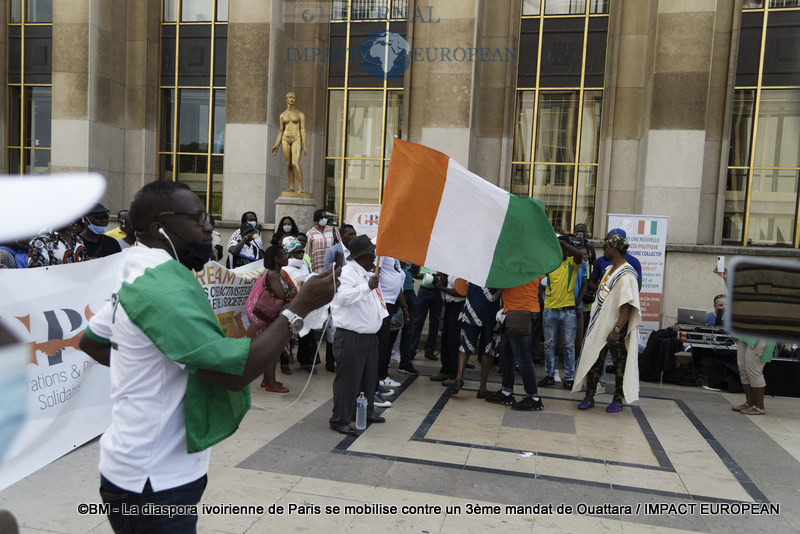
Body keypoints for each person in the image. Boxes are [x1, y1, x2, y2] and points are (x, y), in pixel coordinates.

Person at [77, 181, 337, 532]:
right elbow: (235, 372)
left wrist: (151, 363)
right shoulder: (161, 288)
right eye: (198, 218)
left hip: (144, 470)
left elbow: (93, 341)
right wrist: (299, 308)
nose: (209, 226)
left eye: (209, 217)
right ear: (159, 227)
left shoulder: (140, 270)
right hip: (154, 480)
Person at [573, 233, 642, 413]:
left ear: (614, 249)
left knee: (620, 365)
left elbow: (627, 305)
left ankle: (618, 400)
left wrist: (616, 330)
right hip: (601, 325)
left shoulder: (627, 275)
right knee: (594, 360)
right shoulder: (610, 269)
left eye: (606, 247)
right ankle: (589, 396)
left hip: (616, 328)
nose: (603, 250)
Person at [329, 235, 388, 436]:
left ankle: (363, 412)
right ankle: (340, 419)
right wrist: (367, 287)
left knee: (368, 379)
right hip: (351, 336)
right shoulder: (347, 273)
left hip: (369, 337)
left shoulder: (366, 273)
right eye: (372, 255)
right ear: (362, 257)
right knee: (348, 381)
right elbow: (343, 297)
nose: (374, 259)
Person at [712, 268, 773, 415]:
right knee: (743, 369)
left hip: (761, 336)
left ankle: (759, 406)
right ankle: (749, 402)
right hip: (745, 335)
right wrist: (726, 277)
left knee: (754, 370)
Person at [485, 277, 545, 411]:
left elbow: (500, 282)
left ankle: (534, 398)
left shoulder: (517, 266)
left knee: (522, 357)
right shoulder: (529, 265)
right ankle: (506, 392)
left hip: (521, 312)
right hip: (514, 311)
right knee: (507, 354)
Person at [539, 235, 583, 390]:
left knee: (569, 346)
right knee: (549, 345)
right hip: (550, 310)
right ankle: (549, 375)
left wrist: (563, 243)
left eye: (563, 247)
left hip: (568, 312)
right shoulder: (550, 264)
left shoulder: (572, 263)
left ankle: (569, 378)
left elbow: (579, 255)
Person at [250, 245, 296, 393]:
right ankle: (270, 383)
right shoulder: (272, 274)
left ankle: (268, 379)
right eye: (283, 255)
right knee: (272, 350)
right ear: (276, 258)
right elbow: (282, 295)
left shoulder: (279, 273)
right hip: (272, 319)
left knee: (273, 350)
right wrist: (292, 292)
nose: (286, 257)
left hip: (277, 317)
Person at [449, 283, 502, 398]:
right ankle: (482, 387)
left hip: (472, 303)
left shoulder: (475, 270)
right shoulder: (498, 271)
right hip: (492, 306)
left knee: (465, 343)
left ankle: (459, 377)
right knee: (488, 347)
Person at [322, 224, 357, 372]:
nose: (353, 237)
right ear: (342, 236)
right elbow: (326, 272)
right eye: (350, 234)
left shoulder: (357, 251)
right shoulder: (333, 251)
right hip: (336, 295)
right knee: (333, 328)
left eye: (355, 234)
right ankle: (330, 360)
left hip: (353, 295)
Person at [376, 256, 409, 397]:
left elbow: (397, 284)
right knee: (381, 345)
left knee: (386, 344)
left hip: (392, 302)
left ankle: (379, 379)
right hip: (383, 303)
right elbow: (375, 276)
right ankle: (375, 383)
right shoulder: (381, 250)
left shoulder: (394, 254)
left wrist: (405, 308)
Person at [271, 92, 310, 197]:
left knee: (295, 163)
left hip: (296, 138)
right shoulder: (282, 115)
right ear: (286, 99)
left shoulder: (300, 114)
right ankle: (292, 186)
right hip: (285, 139)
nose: (292, 99)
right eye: (290, 97)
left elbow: (303, 130)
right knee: (288, 164)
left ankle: (301, 188)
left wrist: (304, 145)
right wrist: (276, 145)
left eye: (294, 98)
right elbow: (280, 131)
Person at [409, 266, 442, 363]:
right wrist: (432, 275)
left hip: (437, 292)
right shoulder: (425, 260)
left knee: (435, 324)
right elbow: (416, 275)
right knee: (417, 322)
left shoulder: (443, 261)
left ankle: (430, 350)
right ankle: (411, 350)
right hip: (424, 291)